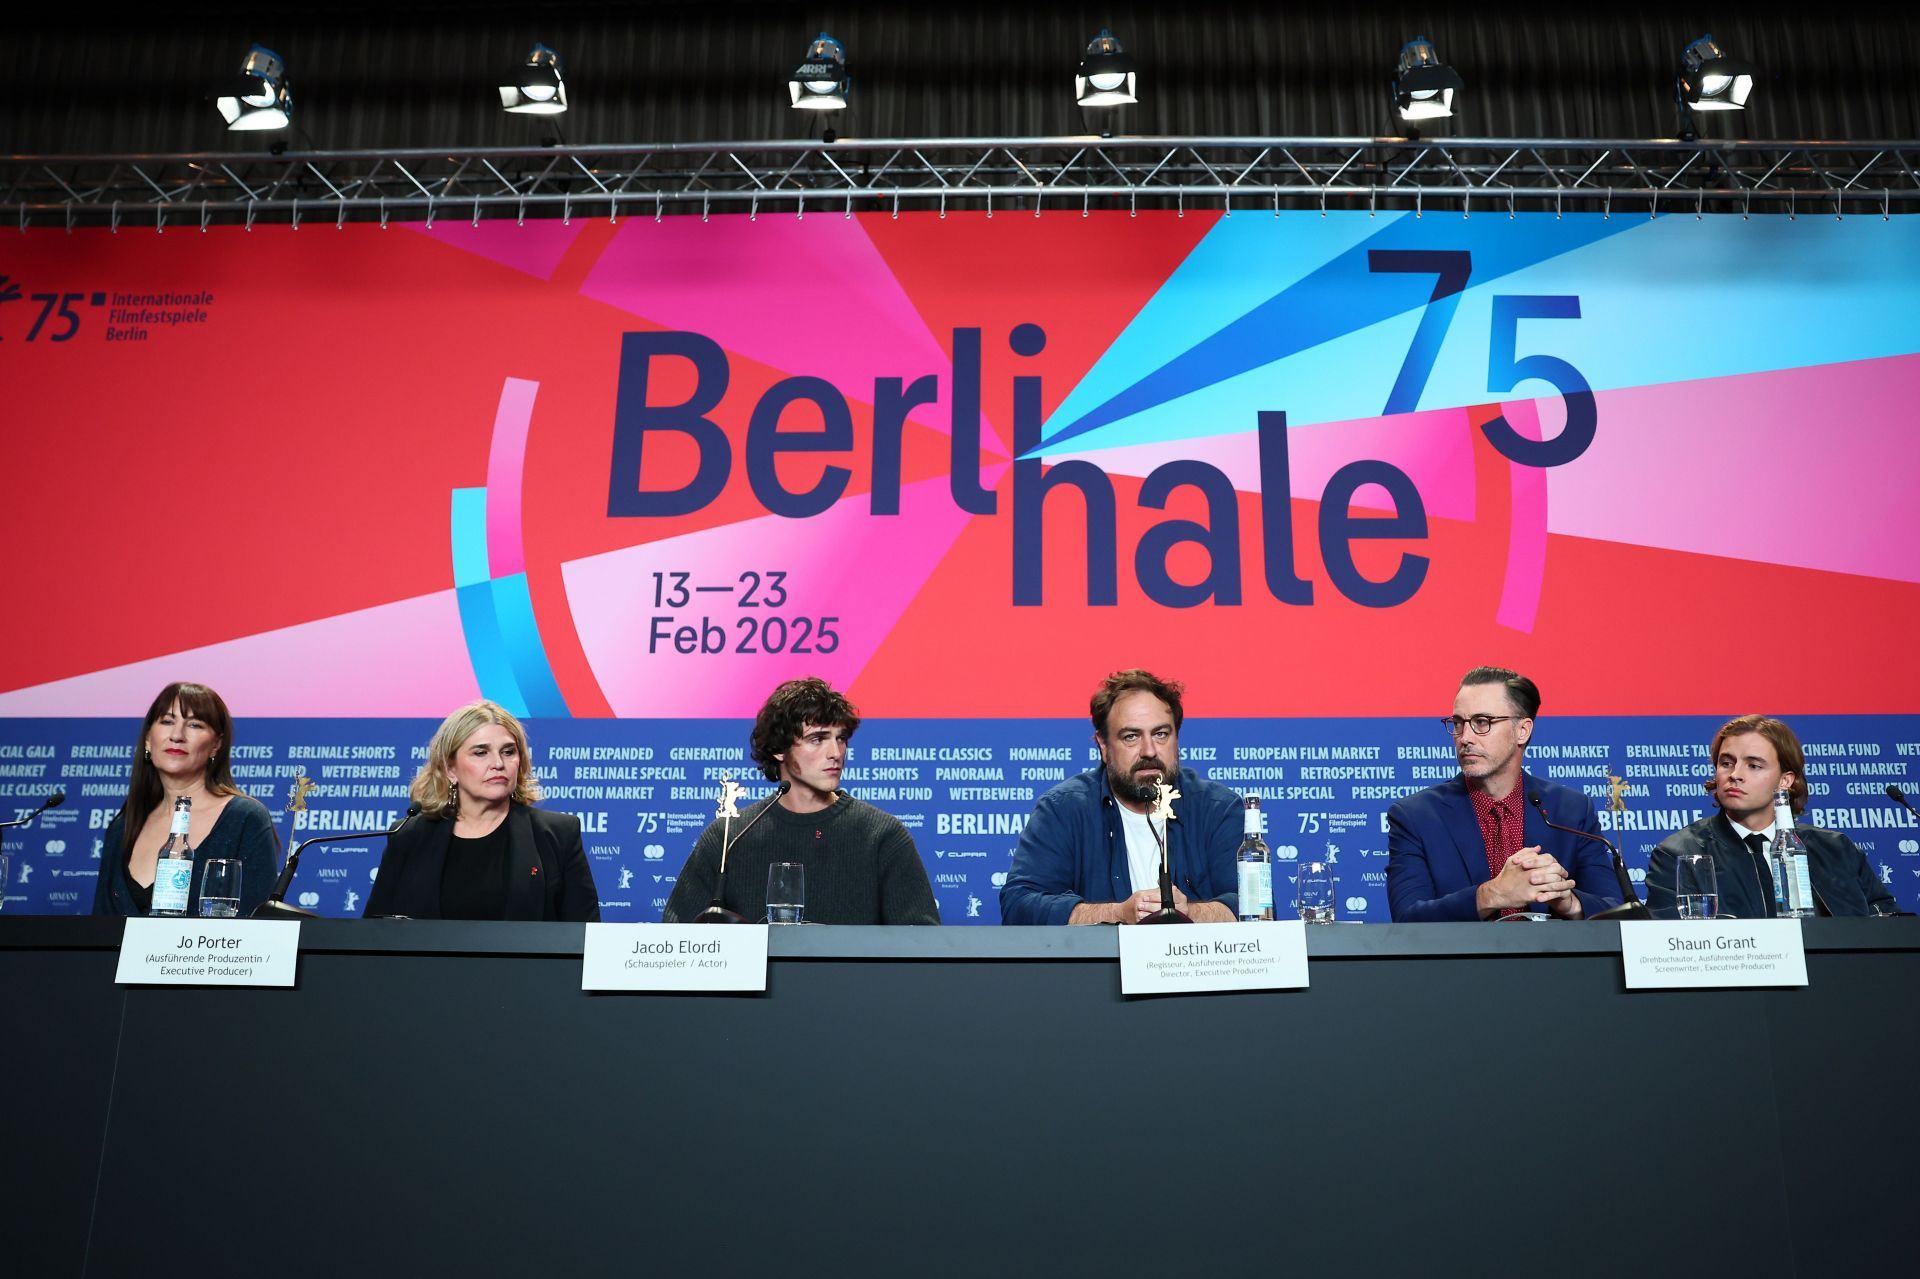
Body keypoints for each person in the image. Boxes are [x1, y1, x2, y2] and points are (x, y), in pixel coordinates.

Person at [663, 677, 938, 924]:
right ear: (780, 750)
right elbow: (677, 947)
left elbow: (921, 948)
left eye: (840, 739)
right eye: (817, 739)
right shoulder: (729, 838)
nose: (835, 753)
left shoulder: (882, 836)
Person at [1000, 669, 1241, 925]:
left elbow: (1256, 908)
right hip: (1101, 965)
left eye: (1161, 734)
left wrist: (1190, 913)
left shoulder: (1218, 809)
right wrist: (1117, 914)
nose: (1149, 751)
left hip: (1193, 963)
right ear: (1103, 747)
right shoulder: (1063, 810)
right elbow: (1019, 906)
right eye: (1131, 737)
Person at [1387, 666, 1620, 922]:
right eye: (1457, 723)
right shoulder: (1416, 816)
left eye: (1482, 723)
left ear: (1522, 731)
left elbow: (1613, 911)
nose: (1464, 738)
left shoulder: (1571, 811)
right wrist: (1492, 894)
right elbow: (1407, 921)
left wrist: (1569, 902)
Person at [364, 700, 598, 921]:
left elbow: (585, 938)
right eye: (480, 752)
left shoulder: (557, 834)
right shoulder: (409, 837)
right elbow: (375, 936)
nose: (498, 763)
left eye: (508, 752)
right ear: (450, 769)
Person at [1646, 714, 1898, 918]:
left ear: (1785, 781)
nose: (1735, 774)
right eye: (1726, 763)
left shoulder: (1835, 849)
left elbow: (1885, 922)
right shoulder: (1681, 853)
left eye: (1754, 765)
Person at [92, 682, 280, 917]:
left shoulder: (244, 818)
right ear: (148, 739)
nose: (177, 736)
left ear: (216, 745)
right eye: (167, 721)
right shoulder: (123, 826)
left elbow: (257, 928)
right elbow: (99, 927)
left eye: (194, 725)